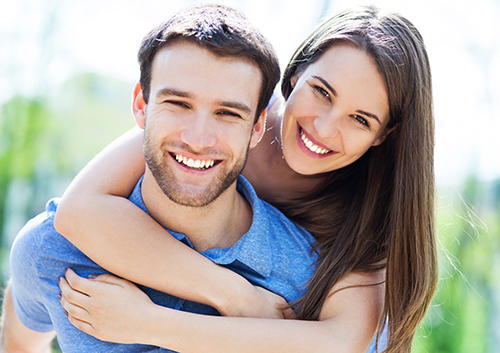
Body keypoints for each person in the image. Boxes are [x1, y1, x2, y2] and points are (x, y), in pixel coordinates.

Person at [55, 4, 437, 353]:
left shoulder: (372, 215)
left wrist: (148, 324)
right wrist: (236, 295)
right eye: (321, 92)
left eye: (360, 119)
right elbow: (78, 211)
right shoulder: (228, 115)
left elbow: (339, 343)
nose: (323, 127)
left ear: (384, 134)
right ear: (296, 73)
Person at [1, 5, 325, 352]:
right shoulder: (53, 247)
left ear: (257, 127)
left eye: (227, 113)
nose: (198, 139)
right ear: (141, 104)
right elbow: (18, 343)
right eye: (178, 104)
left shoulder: (308, 276)